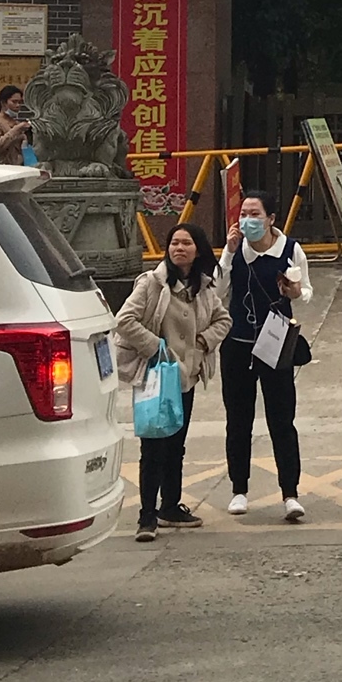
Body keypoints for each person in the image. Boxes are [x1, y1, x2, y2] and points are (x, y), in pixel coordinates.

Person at [115, 224, 231, 541]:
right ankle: (147, 517)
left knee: (176, 446)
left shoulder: (203, 287)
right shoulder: (152, 284)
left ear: (198, 249)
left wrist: (203, 342)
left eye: (186, 243)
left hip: (185, 377)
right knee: (153, 446)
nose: (179, 248)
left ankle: (170, 507)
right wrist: (156, 347)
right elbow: (124, 320)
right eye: (174, 243)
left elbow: (223, 319)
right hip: (155, 377)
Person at [218, 190, 311, 522]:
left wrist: (296, 292)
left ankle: (290, 493)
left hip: (276, 345)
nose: (248, 220)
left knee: (282, 420)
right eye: (244, 214)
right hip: (238, 344)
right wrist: (228, 253)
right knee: (238, 420)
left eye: (255, 214)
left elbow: (306, 290)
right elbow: (218, 290)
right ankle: (239, 490)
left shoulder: (290, 249)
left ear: (271, 218)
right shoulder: (235, 250)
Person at [0, 85, 30, 165]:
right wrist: (16, 130)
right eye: (14, 102)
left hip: (17, 167)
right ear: (3, 103)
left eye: (20, 102)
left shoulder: (16, 123)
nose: (18, 105)